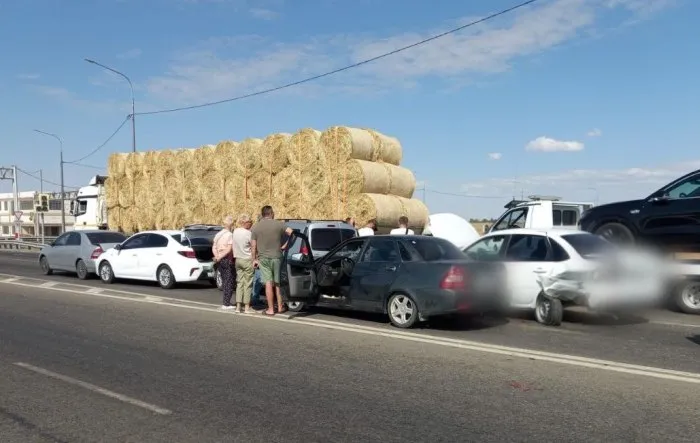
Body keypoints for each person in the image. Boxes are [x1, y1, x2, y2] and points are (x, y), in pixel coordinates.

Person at [251, 205, 294, 316]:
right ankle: (280, 306)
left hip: (263, 258)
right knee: (278, 283)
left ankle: (270, 309)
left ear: (262, 214)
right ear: (271, 213)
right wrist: (285, 245)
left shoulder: (256, 227)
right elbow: (292, 233)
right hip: (277, 257)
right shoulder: (279, 224)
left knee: (268, 284)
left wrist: (254, 259)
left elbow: (253, 245)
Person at [233, 213, 255, 314]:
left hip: (238, 259)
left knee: (239, 283)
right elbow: (253, 247)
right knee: (248, 284)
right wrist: (255, 259)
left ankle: (238, 306)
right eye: (249, 222)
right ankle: (246, 307)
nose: (251, 224)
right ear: (244, 223)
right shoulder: (248, 233)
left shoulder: (235, 231)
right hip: (247, 259)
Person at [212, 215, 235, 310]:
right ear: (231, 224)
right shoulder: (230, 235)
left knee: (224, 280)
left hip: (219, 260)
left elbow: (214, 247)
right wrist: (220, 256)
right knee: (229, 281)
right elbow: (229, 249)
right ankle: (226, 303)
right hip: (226, 259)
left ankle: (225, 302)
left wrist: (217, 256)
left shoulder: (218, 234)